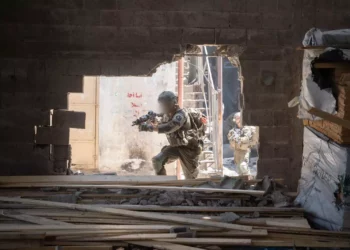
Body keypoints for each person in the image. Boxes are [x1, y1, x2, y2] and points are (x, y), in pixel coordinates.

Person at [138, 91, 205, 179]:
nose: (163, 107)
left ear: (173, 103)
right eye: (162, 104)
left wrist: (149, 128)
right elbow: (161, 124)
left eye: (165, 104)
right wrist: (153, 122)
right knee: (157, 161)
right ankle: (163, 185)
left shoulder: (181, 115)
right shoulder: (167, 115)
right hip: (176, 147)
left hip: (188, 149)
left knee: (191, 178)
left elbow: (170, 127)